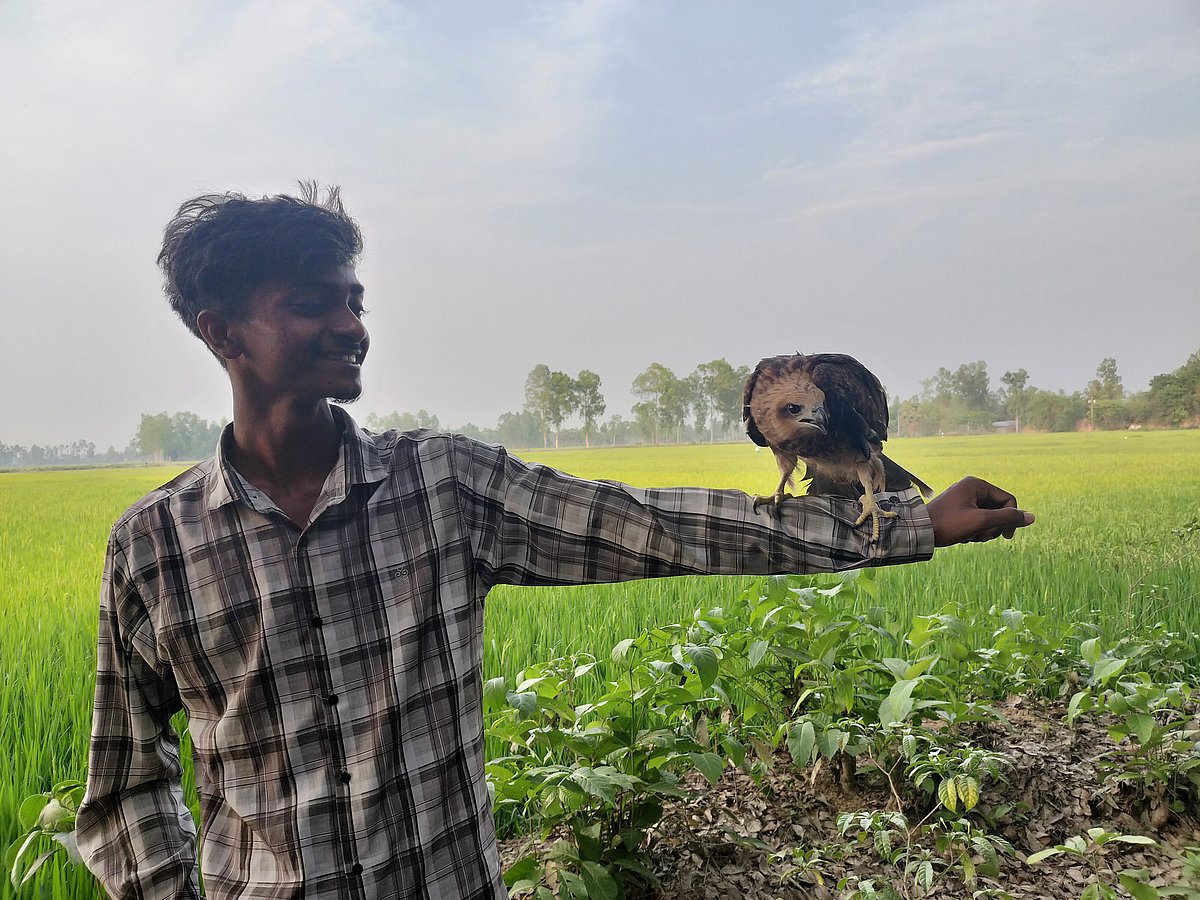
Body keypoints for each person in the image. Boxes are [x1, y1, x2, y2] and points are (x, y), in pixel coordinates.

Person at [76, 184, 1034, 900]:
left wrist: (907, 524)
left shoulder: (443, 485)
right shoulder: (155, 547)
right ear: (222, 331)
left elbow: (652, 526)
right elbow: (122, 786)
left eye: (356, 299)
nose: (353, 325)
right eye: (313, 304)